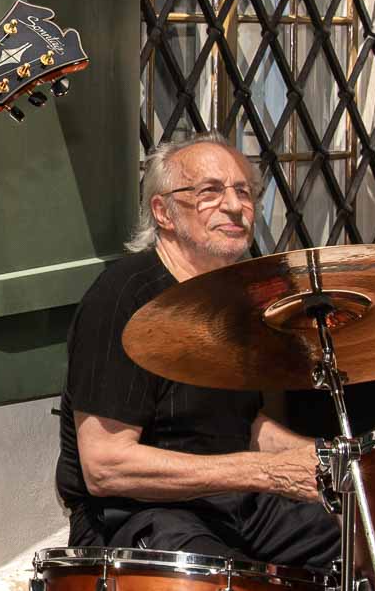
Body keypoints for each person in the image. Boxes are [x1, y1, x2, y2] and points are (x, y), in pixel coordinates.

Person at [54, 133, 337, 568]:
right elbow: (105, 465)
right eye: (209, 192)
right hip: (137, 514)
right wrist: (267, 473)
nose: (233, 206)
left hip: (233, 500)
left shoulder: (234, 295)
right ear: (163, 212)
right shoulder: (122, 298)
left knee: (362, 533)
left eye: (244, 192)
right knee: (221, 580)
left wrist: (325, 459)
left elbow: (239, 426)